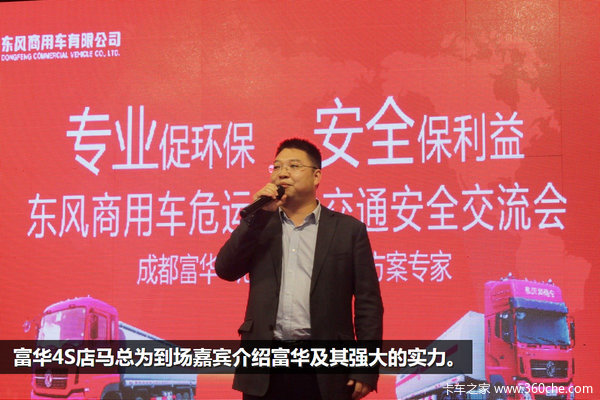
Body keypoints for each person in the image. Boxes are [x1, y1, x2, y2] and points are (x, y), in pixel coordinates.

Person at [216, 138, 383, 400]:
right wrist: (256, 218)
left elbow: (368, 304)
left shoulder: (348, 231)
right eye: (277, 167)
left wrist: (366, 365)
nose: (282, 173)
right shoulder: (261, 226)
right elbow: (225, 269)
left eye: (293, 166)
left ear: (316, 176)